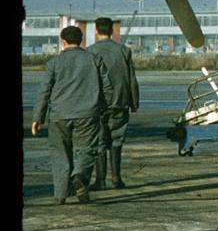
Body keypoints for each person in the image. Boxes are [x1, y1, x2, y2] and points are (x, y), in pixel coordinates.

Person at [31, 25, 113, 204]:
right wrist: (102, 108)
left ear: (63, 41)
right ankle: (79, 176)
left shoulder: (54, 63)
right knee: (87, 150)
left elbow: (44, 91)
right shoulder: (95, 59)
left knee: (60, 153)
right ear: (81, 40)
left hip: (59, 114)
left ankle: (60, 195)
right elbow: (107, 87)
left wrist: (38, 118)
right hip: (88, 114)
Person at [89, 17, 140, 189]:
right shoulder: (124, 50)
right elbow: (131, 78)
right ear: (112, 31)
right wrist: (134, 102)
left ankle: (100, 180)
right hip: (120, 101)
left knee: (100, 141)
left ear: (96, 30)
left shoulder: (90, 51)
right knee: (117, 140)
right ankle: (116, 178)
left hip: (98, 104)